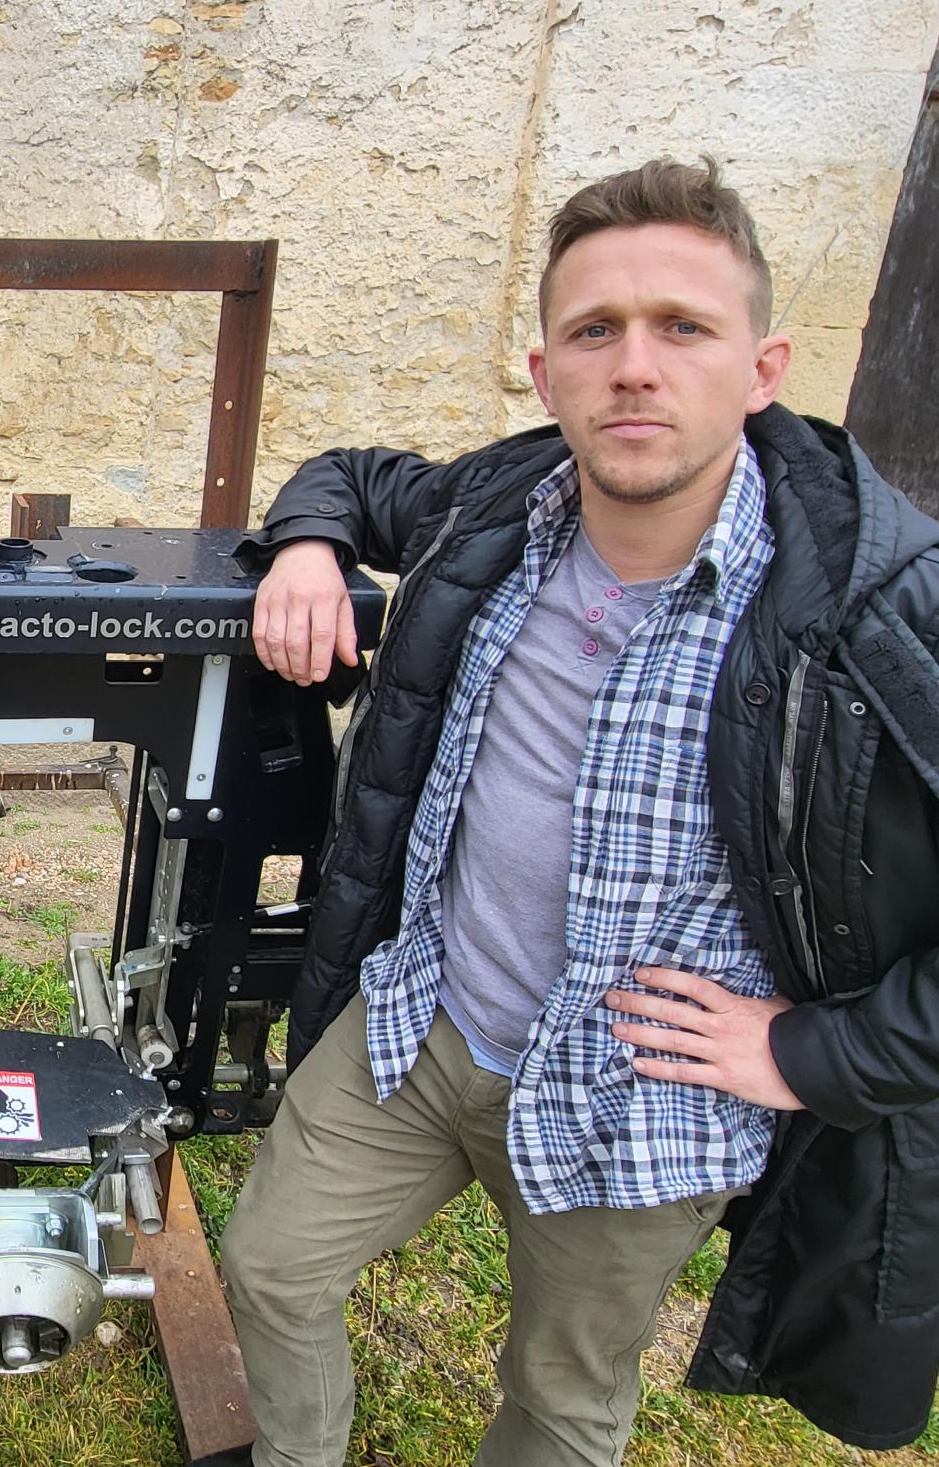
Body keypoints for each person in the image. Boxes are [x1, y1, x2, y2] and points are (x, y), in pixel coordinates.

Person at [221, 156, 939, 1464]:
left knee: (561, 1404)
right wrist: (311, 545)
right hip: (431, 1021)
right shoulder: (498, 509)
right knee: (268, 1264)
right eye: (595, 331)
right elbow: (342, 475)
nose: (635, 367)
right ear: (548, 376)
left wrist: (813, 1058)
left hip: (646, 1094)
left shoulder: (878, 620)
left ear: (764, 369)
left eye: (683, 328)